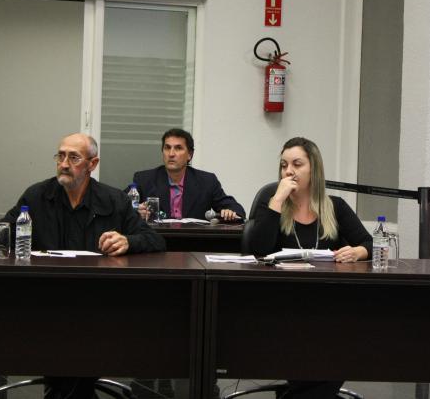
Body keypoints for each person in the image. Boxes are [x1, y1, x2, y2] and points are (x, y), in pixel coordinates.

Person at [0, 132, 164, 399]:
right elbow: (4, 232)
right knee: (68, 335)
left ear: (92, 164)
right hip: (44, 298)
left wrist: (128, 241)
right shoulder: (37, 196)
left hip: (97, 299)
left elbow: (154, 239)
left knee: (78, 334)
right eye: (60, 156)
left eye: (73, 158)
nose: (64, 164)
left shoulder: (114, 200)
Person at [246, 137, 372, 399]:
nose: (288, 171)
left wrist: (357, 251)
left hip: (327, 302)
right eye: (284, 165)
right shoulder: (272, 205)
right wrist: (277, 199)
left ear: (313, 169)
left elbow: (367, 243)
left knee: (343, 339)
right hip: (283, 303)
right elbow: (258, 249)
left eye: (297, 164)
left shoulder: (335, 206)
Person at [130, 128, 245, 222]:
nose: (171, 154)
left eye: (178, 148)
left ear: (190, 155)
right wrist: (135, 211)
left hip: (193, 240)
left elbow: (237, 209)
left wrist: (229, 212)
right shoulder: (144, 179)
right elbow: (122, 206)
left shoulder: (207, 181)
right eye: (167, 148)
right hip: (157, 239)